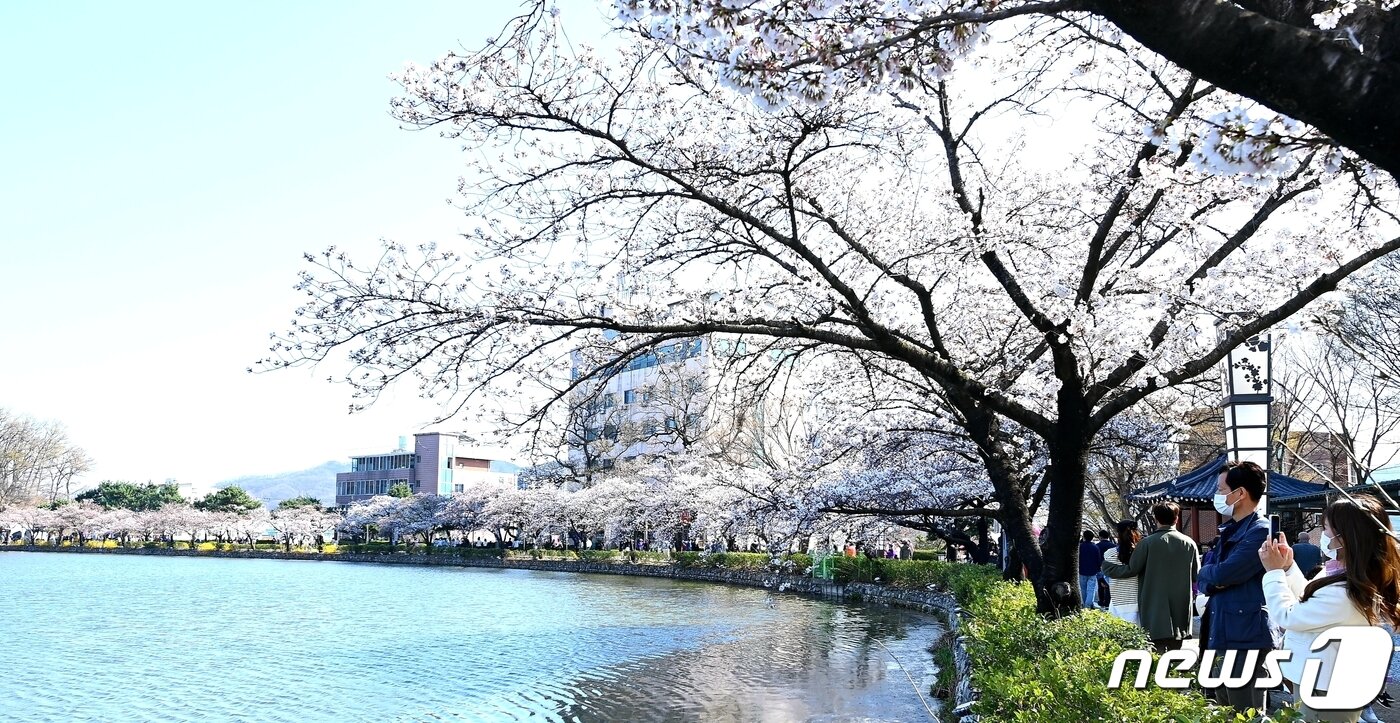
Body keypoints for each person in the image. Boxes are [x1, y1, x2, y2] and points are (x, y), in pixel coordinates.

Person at [1259, 494, 1400, 723]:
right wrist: (1287, 568)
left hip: (1326, 687)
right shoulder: (1349, 574)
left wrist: (1273, 573)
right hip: (1322, 681)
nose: (1323, 534)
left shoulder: (1347, 590)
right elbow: (1311, 600)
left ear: (1343, 537)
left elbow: (1288, 616)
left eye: (1325, 528)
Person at [1196, 460, 1274, 714]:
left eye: (1220, 489)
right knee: (1225, 709)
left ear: (1239, 493)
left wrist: (1209, 574)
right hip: (1222, 630)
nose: (1217, 496)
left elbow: (1224, 572)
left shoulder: (1260, 532)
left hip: (1246, 634)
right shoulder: (1230, 530)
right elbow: (1210, 579)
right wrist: (1211, 576)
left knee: (1247, 712)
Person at [1102, 502, 1199, 652]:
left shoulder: (1146, 543)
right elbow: (1196, 575)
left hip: (1154, 604)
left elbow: (1131, 569)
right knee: (1176, 648)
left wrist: (1108, 567)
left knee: (1155, 649)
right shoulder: (1189, 543)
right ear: (1177, 519)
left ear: (1155, 519)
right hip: (1181, 605)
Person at [1102, 519, 1141, 625]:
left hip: (1117, 600)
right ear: (1136, 532)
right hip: (1138, 600)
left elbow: (1107, 578)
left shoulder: (1109, 554)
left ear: (1118, 534)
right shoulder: (1141, 553)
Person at [1079, 530, 1104, 609]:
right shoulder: (1095, 547)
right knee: (1091, 589)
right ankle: (1088, 605)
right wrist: (1098, 569)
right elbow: (1098, 560)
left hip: (1082, 570)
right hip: (1093, 571)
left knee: (1083, 589)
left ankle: (1084, 605)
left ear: (1084, 537)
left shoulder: (1080, 546)